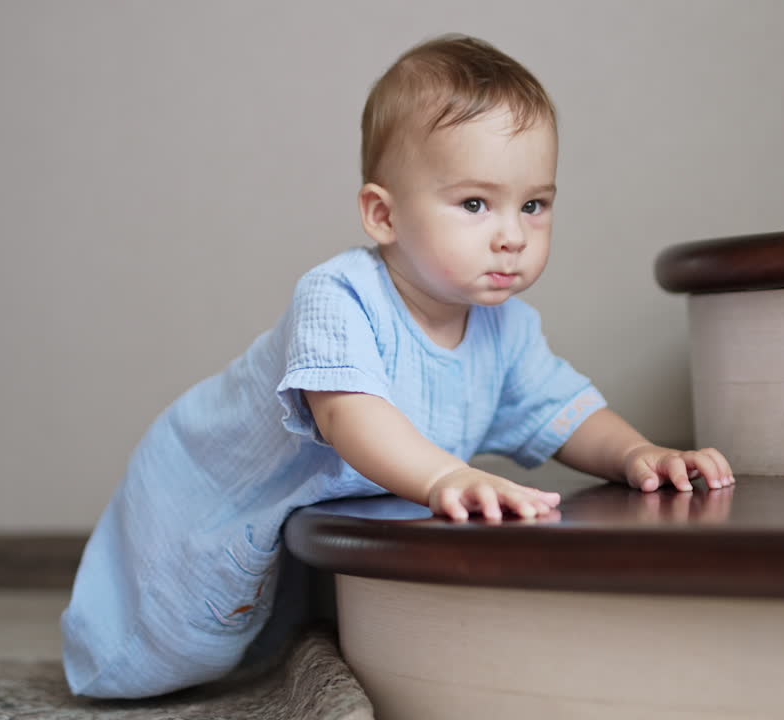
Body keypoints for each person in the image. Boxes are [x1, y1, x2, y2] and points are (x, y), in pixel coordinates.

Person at [61, 33, 734, 699]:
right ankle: (113, 641)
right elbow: (350, 417)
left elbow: (563, 410)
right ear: (383, 215)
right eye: (475, 203)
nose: (512, 233)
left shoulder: (506, 328)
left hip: (304, 508)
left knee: (279, 629)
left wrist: (637, 454)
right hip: (200, 488)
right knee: (163, 651)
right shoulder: (339, 295)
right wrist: (445, 473)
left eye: (534, 204)